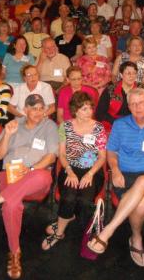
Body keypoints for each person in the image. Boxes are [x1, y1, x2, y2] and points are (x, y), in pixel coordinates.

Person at [0, 94, 58, 279]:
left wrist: (30, 168)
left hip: (35, 175)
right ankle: (15, 252)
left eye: (41, 108)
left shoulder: (50, 126)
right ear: (25, 110)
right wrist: (7, 135)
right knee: (11, 205)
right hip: (10, 174)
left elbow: (51, 157)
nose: (38, 112)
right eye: (33, 108)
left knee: (41, 176)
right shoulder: (14, 124)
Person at [87, 88, 144, 267]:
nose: (137, 107)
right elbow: (111, 152)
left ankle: (108, 231)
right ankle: (136, 238)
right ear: (129, 106)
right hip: (124, 176)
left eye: (141, 103)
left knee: (143, 181)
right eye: (133, 104)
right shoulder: (120, 125)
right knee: (139, 203)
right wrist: (115, 170)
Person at [42, 92, 107, 250]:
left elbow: (102, 157)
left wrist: (90, 174)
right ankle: (59, 233)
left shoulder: (98, 128)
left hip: (92, 169)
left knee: (85, 200)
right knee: (69, 196)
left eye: (90, 108)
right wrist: (69, 171)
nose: (89, 112)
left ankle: (68, 217)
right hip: (70, 167)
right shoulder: (65, 126)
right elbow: (62, 154)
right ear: (75, 110)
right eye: (84, 109)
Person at [96, 62, 144, 129]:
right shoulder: (110, 90)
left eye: (134, 73)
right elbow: (100, 112)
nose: (132, 76)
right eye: (128, 73)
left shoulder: (142, 89)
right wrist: (116, 122)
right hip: (113, 123)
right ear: (121, 75)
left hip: (136, 123)